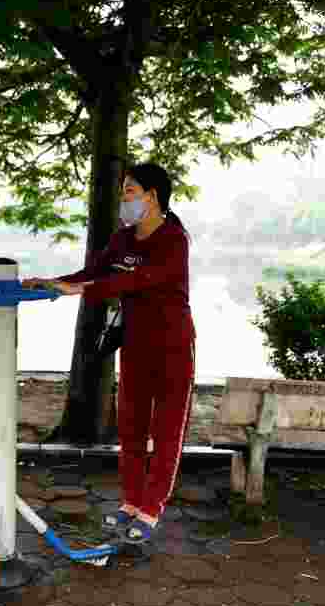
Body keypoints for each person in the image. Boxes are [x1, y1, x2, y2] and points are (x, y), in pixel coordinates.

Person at [22, 163, 196, 545]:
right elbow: (95, 271)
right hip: (134, 343)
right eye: (123, 192)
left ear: (152, 196)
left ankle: (152, 508)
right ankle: (131, 502)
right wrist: (53, 283)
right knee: (132, 426)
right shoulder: (122, 239)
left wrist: (82, 289)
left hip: (173, 346)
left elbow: (139, 279)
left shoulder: (173, 239)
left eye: (130, 191)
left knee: (166, 431)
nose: (124, 199)